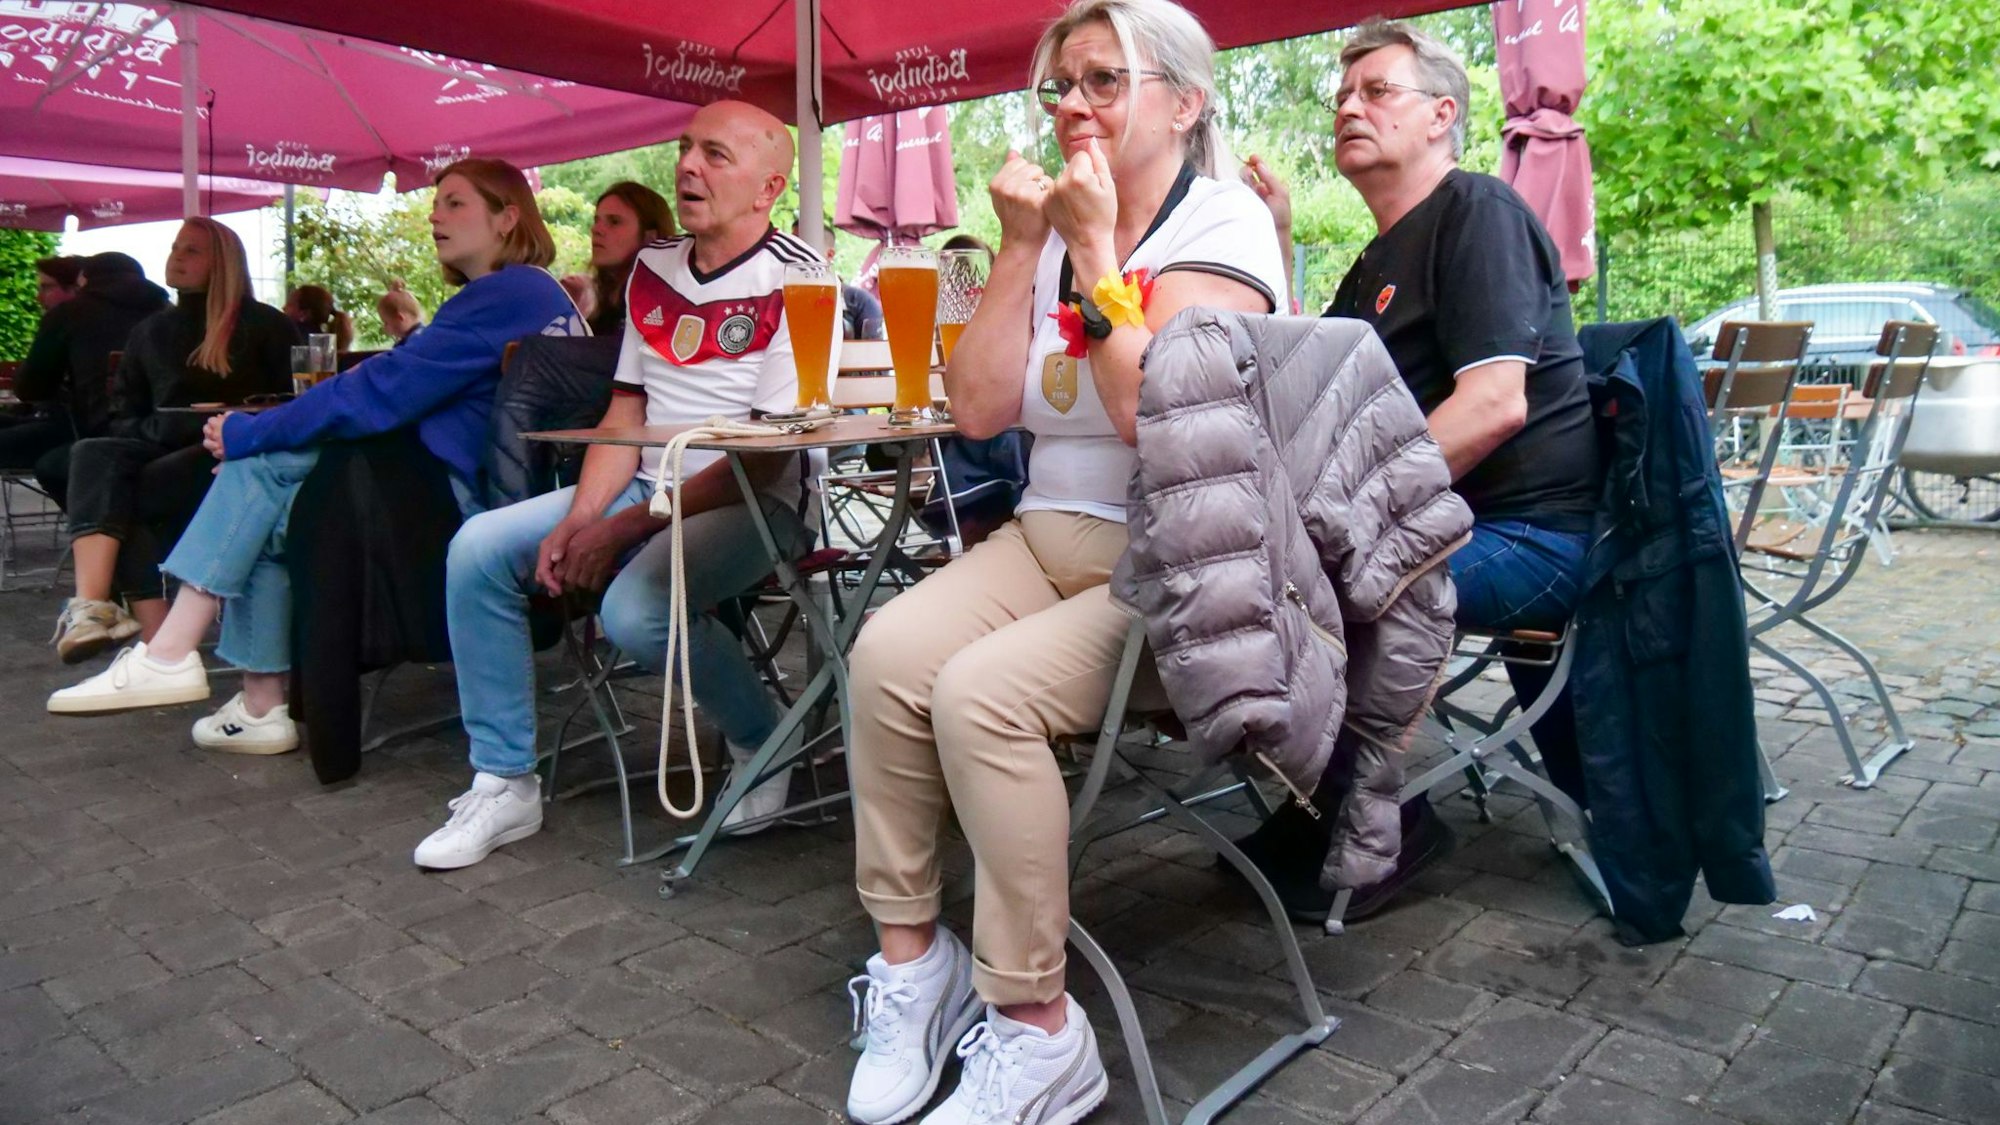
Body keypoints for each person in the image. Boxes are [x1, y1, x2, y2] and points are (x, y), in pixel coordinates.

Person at [840, 2, 1287, 1121]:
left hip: (1172, 564)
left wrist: (1094, 249)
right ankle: (911, 965)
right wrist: (1026, 246)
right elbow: (982, 406)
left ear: (1183, 106)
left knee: (978, 698)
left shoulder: (1223, 227)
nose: (1072, 106)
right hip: (1045, 536)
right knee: (885, 652)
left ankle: (1038, 1026)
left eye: (1102, 80)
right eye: (1059, 85)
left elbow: (1160, 423)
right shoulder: (1047, 230)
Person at [1233, 18, 1605, 920]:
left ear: (1442, 114)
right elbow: (1303, 369)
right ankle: (1324, 801)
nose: (1350, 108)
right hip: (1444, 525)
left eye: (1377, 92)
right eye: (1342, 98)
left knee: (1304, 585)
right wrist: (1278, 239)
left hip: (1529, 536)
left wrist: (1344, 514)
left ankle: (1388, 819)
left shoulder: (1477, 212)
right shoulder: (1374, 260)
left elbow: (1495, 405)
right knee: (1242, 571)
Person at [46, 159, 584, 755]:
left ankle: (178, 656)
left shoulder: (510, 291)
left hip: (465, 512)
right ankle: (257, 702)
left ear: (509, 217)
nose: (435, 214)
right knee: (271, 508)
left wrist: (255, 431)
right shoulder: (529, 295)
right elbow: (393, 387)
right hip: (494, 499)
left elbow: (381, 392)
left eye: (455, 202)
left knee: (260, 467)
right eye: (437, 202)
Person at [411, 101, 821, 870]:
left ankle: (764, 734)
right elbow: (626, 406)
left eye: (716, 155)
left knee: (635, 609)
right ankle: (505, 780)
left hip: (753, 503)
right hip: (644, 487)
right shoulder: (656, 268)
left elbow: (762, 460)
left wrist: (625, 528)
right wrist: (585, 513)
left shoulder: (801, 277)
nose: (689, 166)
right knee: (475, 549)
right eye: (686, 148)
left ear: (768, 188)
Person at [47, 226, 295, 663]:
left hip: (234, 458)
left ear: (223, 263)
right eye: (175, 247)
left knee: (125, 496)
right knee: (90, 453)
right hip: (161, 449)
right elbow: (123, 417)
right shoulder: (150, 331)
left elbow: (291, 407)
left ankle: (155, 642)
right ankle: (93, 608)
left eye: (192, 250)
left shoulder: (266, 326)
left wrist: (226, 419)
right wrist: (166, 428)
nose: (177, 257)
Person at [3, 253, 169, 503]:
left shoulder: (70, 314)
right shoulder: (169, 313)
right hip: (166, 431)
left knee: (52, 464)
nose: (39, 297)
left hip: (95, 433)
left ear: (82, 282)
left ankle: (100, 531)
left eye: (46, 287)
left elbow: (30, 388)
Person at [585, 180, 676, 336]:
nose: (596, 229)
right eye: (596, 220)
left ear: (650, 238)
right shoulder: (608, 304)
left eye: (614, 222)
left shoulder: (658, 308)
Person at [285, 283, 354, 353]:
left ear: (304, 314)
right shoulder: (325, 345)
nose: (283, 307)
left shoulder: (290, 340)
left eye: (289, 304)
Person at [375, 280, 425, 346]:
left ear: (400, 318)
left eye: (386, 323)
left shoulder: (407, 346)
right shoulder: (428, 335)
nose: (385, 328)